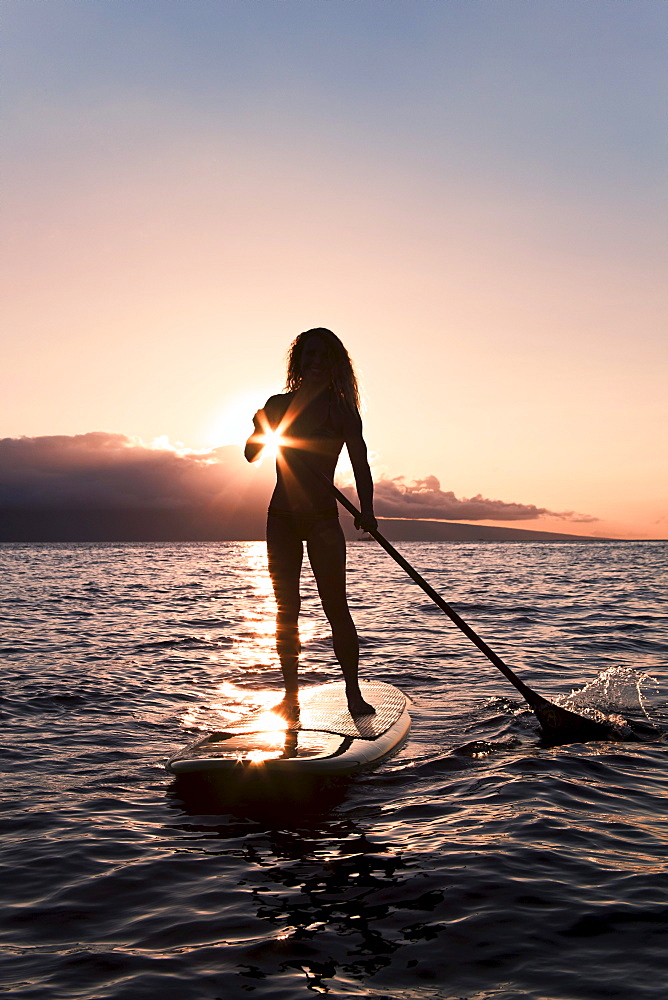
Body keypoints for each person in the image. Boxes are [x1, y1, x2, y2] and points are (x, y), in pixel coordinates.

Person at [245, 328, 378, 717]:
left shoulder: (341, 411)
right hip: (281, 519)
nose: (316, 362)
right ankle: (290, 697)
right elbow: (252, 455)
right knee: (286, 609)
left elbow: (361, 465)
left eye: (324, 356)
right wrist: (261, 426)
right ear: (299, 362)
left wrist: (367, 511)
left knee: (336, 607)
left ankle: (353, 693)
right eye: (310, 355)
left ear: (335, 364)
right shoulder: (277, 404)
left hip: (322, 519)